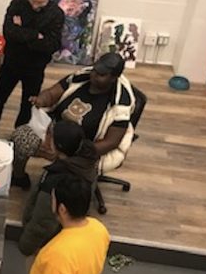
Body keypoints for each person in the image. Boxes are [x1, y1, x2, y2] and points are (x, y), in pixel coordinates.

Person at [10, 52, 135, 190]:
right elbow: (52, 93)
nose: (93, 76)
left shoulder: (120, 104)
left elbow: (111, 142)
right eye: (94, 70)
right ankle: (18, 177)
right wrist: (41, 100)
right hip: (53, 134)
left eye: (101, 75)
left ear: (113, 78)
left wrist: (64, 153)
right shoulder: (82, 76)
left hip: (86, 150)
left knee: (66, 189)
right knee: (20, 136)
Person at [15, 121, 99, 274]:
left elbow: (42, 221)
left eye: (49, 136)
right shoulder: (87, 162)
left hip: (45, 243)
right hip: (65, 236)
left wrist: (26, 244)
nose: (45, 139)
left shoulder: (55, 181)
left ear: (58, 146)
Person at [0, 0, 64, 136]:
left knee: (27, 105)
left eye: (40, 3)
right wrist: (37, 35)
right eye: (33, 1)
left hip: (35, 68)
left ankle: (18, 136)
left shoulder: (56, 14)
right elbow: (9, 32)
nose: (35, 5)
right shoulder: (18, 2)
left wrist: (22, 32)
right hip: (11, 63)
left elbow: (52, 45)